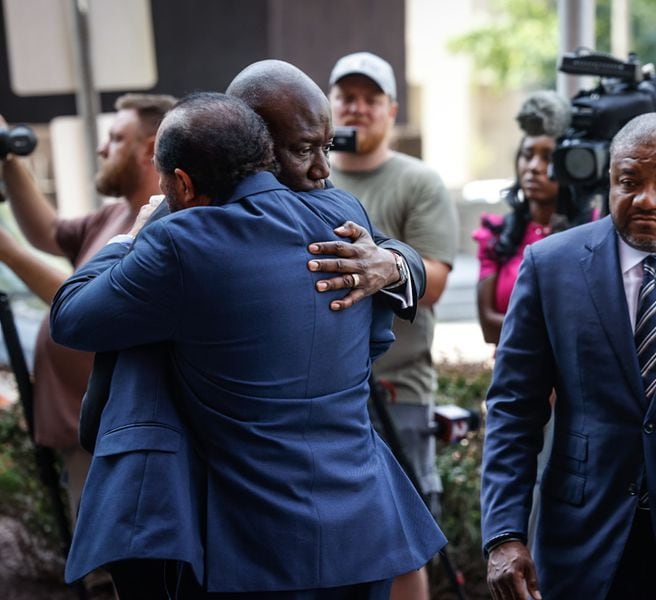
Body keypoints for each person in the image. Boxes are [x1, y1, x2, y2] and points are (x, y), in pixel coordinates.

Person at [51, 92, 446, 598]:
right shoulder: (343, 215)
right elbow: (371, 344)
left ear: (183, 183)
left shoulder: (178, 240)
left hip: (255, 543)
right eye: (307, 148)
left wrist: (131, 234)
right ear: (264, 149)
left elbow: (70, 317)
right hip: (360, 529)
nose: (322, 168)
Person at [480, 112, 656, 599]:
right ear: (610, 180)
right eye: (629, 181)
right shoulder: (552, 266)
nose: (646, 199)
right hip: (582, 540)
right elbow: (513, 409)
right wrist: (504, 534)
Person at [0, 94, 175, 518]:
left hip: (118, 439)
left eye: (115, 138)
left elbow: (89, 304)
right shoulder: (113, 217)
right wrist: (7, 154)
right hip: (86, 435)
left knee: (121, 573)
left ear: (149, 149)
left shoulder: (163, 227)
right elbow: (46, 231)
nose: (101, 148)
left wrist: (8, 252)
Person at [327, 50, 458, 600]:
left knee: (402, 538)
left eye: (369, 99)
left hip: (397, 389)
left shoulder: (418, 182)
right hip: (324, 393)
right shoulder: (305, 180)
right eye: (345, 98)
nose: (356, 110)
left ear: (391, 110)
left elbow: (433, 284)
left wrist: (379, 264)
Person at [473, 90, 580, 344]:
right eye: (527, 154)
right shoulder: (496, 234)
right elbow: (488, 327)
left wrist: (516, 326)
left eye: (548, 157)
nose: (533, 167)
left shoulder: (593, 230)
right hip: (511, 376)